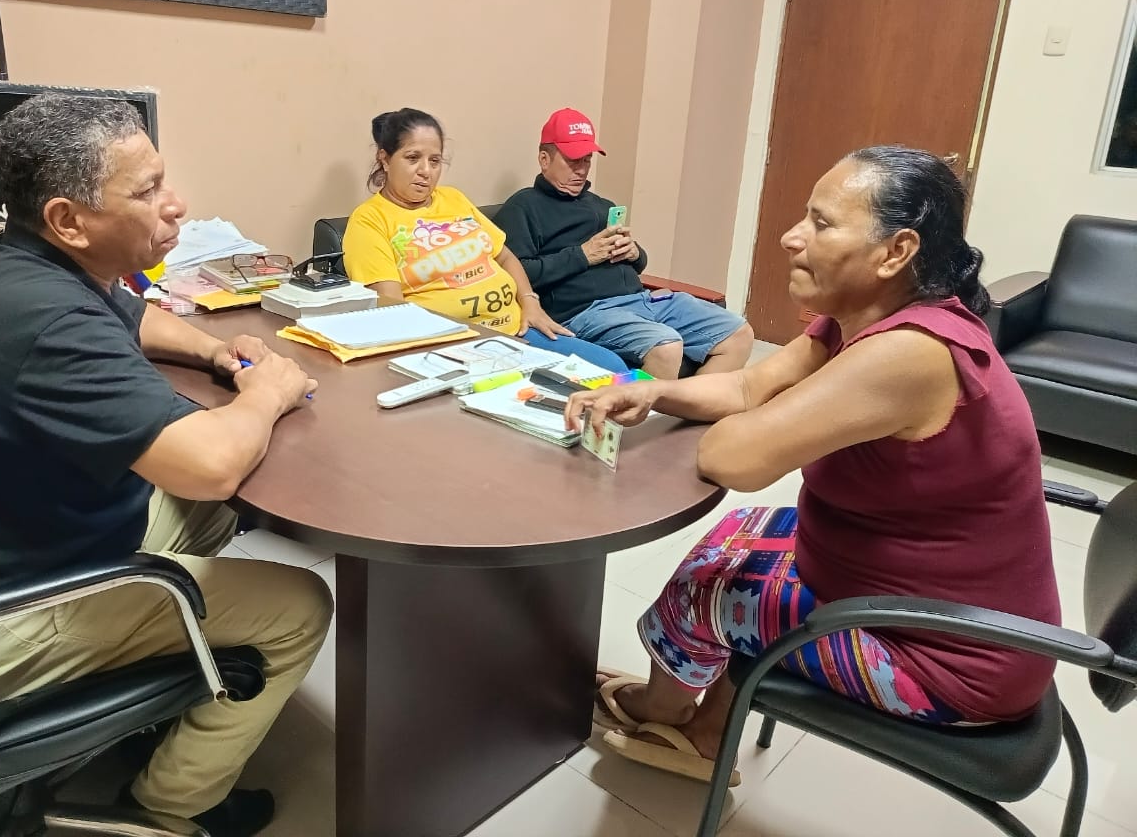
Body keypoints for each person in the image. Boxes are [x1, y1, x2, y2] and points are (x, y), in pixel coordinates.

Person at [0, 94, 332, 837]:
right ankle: (170, 809)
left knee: (209, 509)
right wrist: (267, 391)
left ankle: (164, 665)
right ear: (69, 219)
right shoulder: (49, 320)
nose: (175, 204)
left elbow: (133, 315)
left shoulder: (19, 267)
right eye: (147, 191)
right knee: (300, 606)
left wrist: (218, 352)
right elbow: (212, 465)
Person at [566, 146, 1060, 784]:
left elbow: (732, 458)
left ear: (896, 251)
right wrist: (656, 391)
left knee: (707, 588)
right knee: (736, 537)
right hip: (901, 591)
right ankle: (705, 729)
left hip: (948, 656)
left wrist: (780, 418)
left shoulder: (911, 353)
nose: (791, 237)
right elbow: (749, 387)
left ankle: (664, 710)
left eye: (822, 224)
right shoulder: (864, 317)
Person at [341, 108, 628, 373]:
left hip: (518, 330)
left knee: (613, 369)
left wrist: (530, 303)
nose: (426, 171)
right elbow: (393, 309)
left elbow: (505, 256)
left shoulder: (453, 199)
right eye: (412, 158)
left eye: (435, 160)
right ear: (385, 159)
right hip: (455, 347)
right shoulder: (369, 220)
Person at [495, 108, 754, 379]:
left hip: (642, 299)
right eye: (572, 161)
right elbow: (515, 274)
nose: (581, 170)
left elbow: (638, 265)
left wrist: (633, 253)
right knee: (666, 347)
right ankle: (650, 408)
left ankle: (692, 404)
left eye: (586, 160)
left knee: (738, 334)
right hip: (587, 312)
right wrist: (583, 255)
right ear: (544, 159)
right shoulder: (523, 207)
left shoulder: (602, 205)